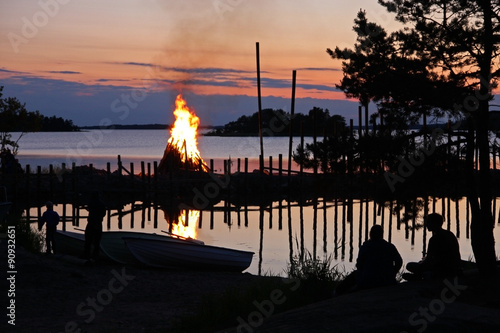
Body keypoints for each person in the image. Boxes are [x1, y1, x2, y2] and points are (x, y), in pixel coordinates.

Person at [335, 225, 402, 294]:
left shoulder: (365, 247)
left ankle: (336, 293)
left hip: (368, 280)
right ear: (382, 234)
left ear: (370, 234)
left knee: (355, 275)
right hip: (387, 280)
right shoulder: (390, 246)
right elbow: (399, 262)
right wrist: (393, 272)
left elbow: (359, 265)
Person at [404, 213, 461, 281]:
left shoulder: (434, 239)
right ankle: (423, 275)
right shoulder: (450, 234)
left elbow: (429, 260)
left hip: (440, 269)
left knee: (409, 265)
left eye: (429, 222)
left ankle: (425, 275)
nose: (427, 224)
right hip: (454, 268)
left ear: (435, 223)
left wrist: (422, 263)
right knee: (421, 263)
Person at [84, 191, 106, 261]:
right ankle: (95, 256)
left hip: (91, 222)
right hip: (98, 223)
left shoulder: (91, 203)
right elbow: (104, 213)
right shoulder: (102, 204)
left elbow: (89, 209)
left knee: (88, 240)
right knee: (97, 241)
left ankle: (87, 255)